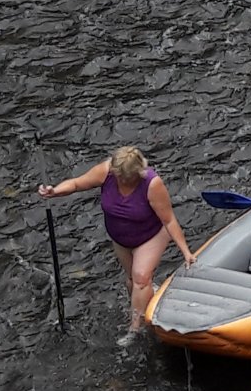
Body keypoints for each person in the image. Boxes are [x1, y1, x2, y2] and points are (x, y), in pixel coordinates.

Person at [38, 146, 196, 345]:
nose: (120, 180)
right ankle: (148, 301)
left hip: (151, 235)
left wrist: (186, 252)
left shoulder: (152, 184)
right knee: (131, 281)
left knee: (140, 278)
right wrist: (55, 191)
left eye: (125, 178)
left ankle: (135, 330)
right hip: (121, 239)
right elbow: (77, 184)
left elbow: (169, 220)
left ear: (137, 174)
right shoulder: (107, 171)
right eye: (118, 175)